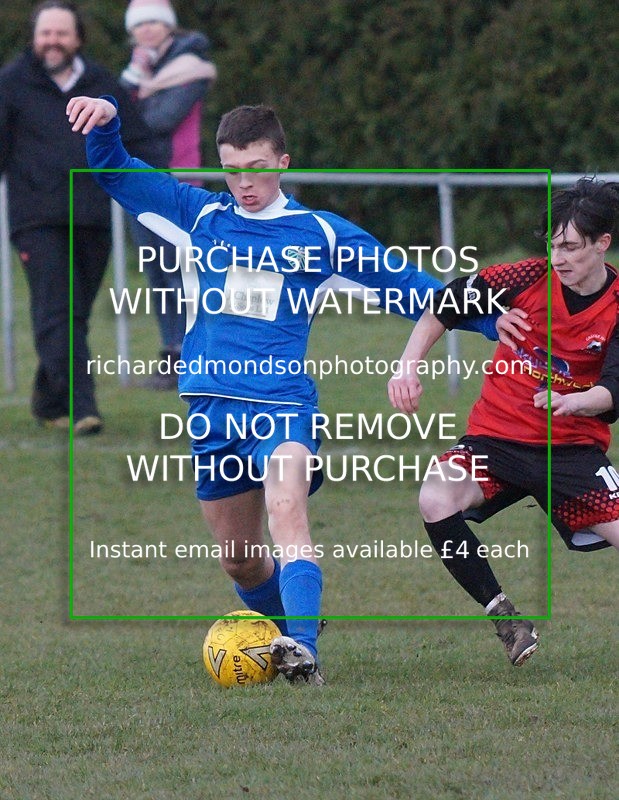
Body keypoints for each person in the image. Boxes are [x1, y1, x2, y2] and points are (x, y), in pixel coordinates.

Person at [66, 94, 514, 684]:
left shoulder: (320, 234)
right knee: (241, 560)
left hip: (282, 408)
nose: (244, 182)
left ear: (282, 161)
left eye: (256, 168)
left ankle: (304, 652)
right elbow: (117, 171)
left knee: (287, 511)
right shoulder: (197, 215)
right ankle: (284, 630)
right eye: (231, 169)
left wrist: (488, 319)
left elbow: (407, 285)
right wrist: (106, 122)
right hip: (211, 412)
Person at [388, 178, 619, 667]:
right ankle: (505, 617)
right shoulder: (526, 277)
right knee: (435, 497)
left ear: (603, 244)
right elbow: (444, 305)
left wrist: (573, 403)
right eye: (553, 245)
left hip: (572, 450)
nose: (560, 258)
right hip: (495, 440)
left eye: (573, 247)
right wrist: (408, 364)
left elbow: (613, 393)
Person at [0, 1, 165, 434]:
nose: (52, 41)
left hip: (93, 219)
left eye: (62, 33)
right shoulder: (11, 84)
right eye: (45, 33)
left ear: (78, 39)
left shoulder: (101, 84)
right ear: (34, 38)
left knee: (74, 314)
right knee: (56, 310)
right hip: (36, 219)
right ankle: (82, 408)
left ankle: (47, 398)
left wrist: (159, 193)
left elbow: (139, 142)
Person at [120, 0, 217, 389]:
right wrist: (134, 80)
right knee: (158, 273)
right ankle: (172, 352)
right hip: (142, 182)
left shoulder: (189, 67)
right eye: (139, 24)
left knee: (185, 274)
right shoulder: (140, 70)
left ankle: (199, 355)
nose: (146, 30)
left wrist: (132, 107)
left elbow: (160, 120)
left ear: (169, 27)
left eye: (154, 22)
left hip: (180, 181)